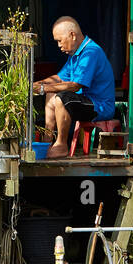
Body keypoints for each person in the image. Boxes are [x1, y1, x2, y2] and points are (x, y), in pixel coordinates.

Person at [33, 16, 115, 159]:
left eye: (59, 40)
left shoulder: (91, 52)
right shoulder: (75, 54)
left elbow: (75, 85)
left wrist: (42, 89)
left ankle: (61, 145)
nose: (59, 45)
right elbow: (59, 78)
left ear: (72, 35)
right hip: (84, 101)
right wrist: (37, 84)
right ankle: (47, 141)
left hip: (99, 106)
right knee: (51, 93)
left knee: (61, 97)